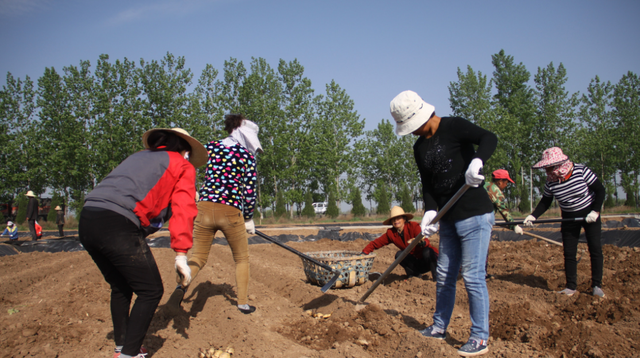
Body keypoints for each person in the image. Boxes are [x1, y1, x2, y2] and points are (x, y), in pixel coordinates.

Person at [79, 128, 207, 358]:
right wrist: (181, 255)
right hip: (117, 223)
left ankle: (123, 346)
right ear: (185, 151)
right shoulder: (182, 165)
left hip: (88, 219)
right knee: (151, 290)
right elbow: (183, 211)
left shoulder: (137, 156)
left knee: (121, 286)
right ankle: (128, 355)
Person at [390, 90, 497, 357]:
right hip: (447, 219)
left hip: (474, 213)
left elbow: (489, 137)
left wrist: (477, 160)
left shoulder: (454, 126)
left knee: (472, 277)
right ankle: (439, 327)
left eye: (412, 126)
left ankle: (480, 338)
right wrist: (429, 211)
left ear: (422, 116)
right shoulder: (419, 147)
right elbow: (428, 185)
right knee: (445, 276)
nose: (412, 133)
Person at [167, 114, 261, 315]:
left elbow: (185, 161)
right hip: (231, 211)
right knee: (241, 259)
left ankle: (179, 290)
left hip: (204, 209)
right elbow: (250, 189)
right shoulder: (247, 156)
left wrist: (193, 191)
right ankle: (243, 304)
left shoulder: (210, 147)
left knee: (199, 257)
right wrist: (248, 217)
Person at [523, 147, 605, 298]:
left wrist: (595, 211)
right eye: (546, 167)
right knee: (569, 253)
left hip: (589, 214)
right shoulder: (551, 182)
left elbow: (600, 190)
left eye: (549, 167)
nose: (547, 170)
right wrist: (533, 216)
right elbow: (546, 201)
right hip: (568, 217)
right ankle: (571, 287)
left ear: (559, 164)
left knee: (594, 249)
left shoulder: (580, 171)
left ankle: (596, 286)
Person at [362, 206, 438, 280]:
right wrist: (365, 252)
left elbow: (425, 239)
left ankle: (437, 277)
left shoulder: (414, 226)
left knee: (427, 252)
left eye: (398, 218)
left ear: (404, 219)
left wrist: (423, 243)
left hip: (429, 260)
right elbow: (376, 243)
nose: (396, 221)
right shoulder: (391, 233)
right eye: (393, 219)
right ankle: (414, 275)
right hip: (416, 263)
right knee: (399, 255)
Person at [484, 169, 523, 279]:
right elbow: (504, 210)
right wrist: (514, 226)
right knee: (483, 248)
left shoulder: (484, 185)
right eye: (506, 183)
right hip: (481, 223)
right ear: (500, 181)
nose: (506, 185)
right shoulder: (496, 191)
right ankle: (482, 274)